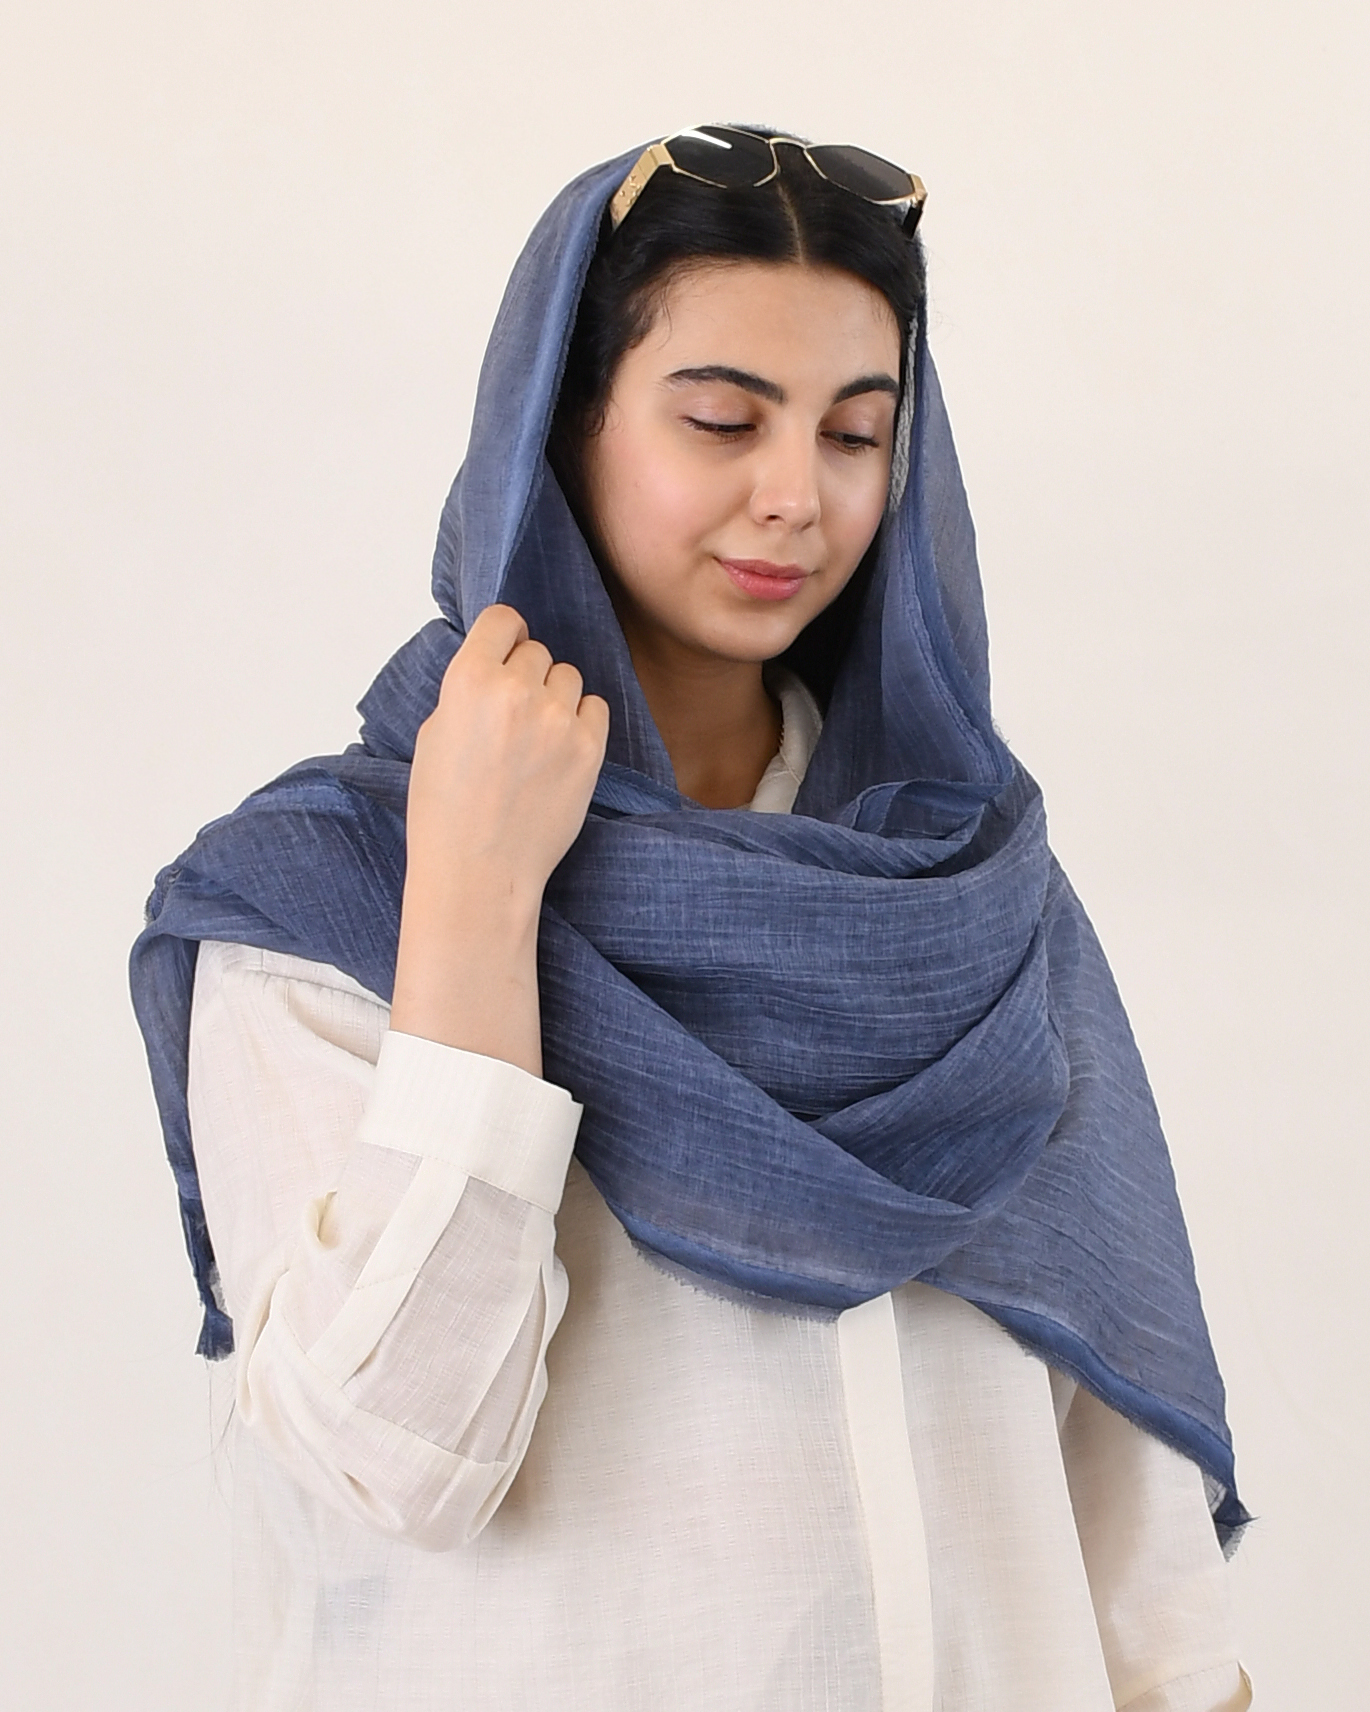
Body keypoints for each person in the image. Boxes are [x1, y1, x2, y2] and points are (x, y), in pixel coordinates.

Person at [131, 128, 1253, 1710]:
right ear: (562, 424)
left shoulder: (967, 890)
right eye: (721, 420)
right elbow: (397, 1457)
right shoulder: (325, 899)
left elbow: (1123, 1517)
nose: (794, 497)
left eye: (855, 434)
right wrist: (472, 900)